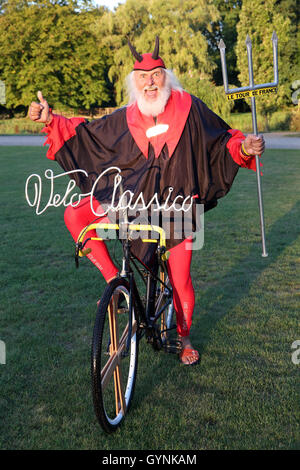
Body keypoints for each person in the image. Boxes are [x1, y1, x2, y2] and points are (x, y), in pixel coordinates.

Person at [28, 37, 265, 365]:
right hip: (132, 203)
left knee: (180, 280)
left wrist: (244, 148)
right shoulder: (126, 116)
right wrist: (51, 121)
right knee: (75, 216)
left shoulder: (189, 108)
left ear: (166, 77)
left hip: (177, 207)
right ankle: (115, 282)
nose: (150, 81)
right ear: (134, 81)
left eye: (156, 74)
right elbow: (88, 133)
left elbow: (221, 139)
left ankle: (184, 337)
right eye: (143, 76)